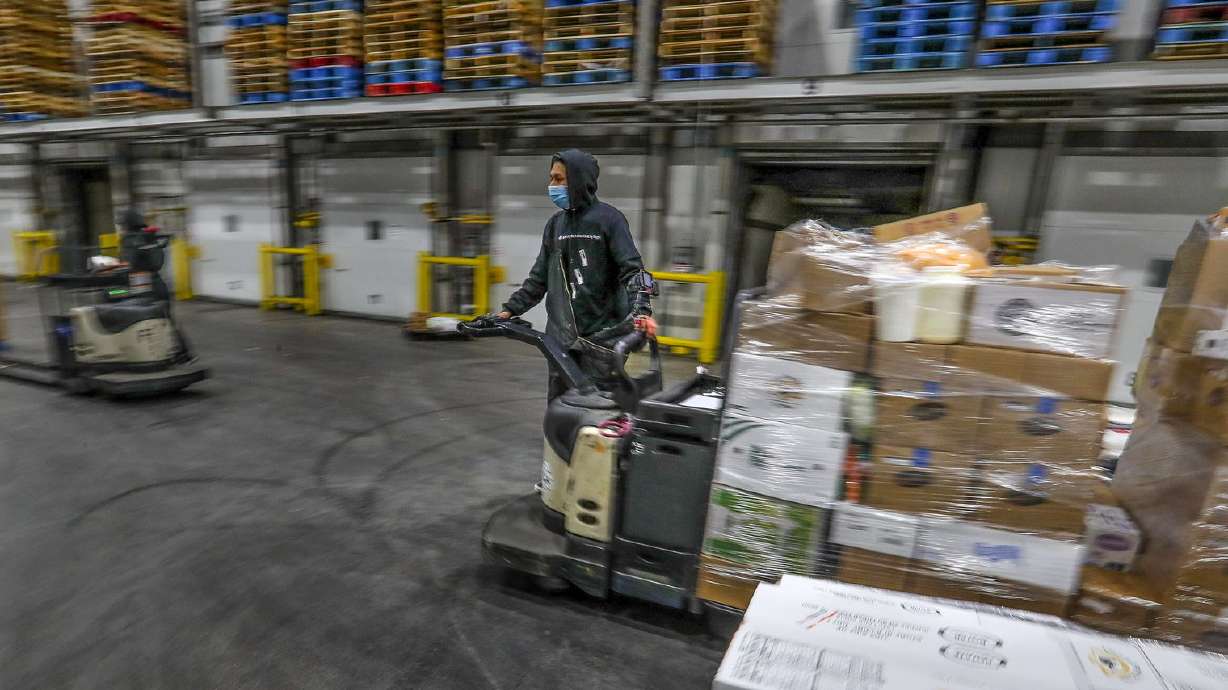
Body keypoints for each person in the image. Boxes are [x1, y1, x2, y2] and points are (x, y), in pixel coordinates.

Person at [497, 149, 658, 399]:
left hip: (600, 341)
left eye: (559, 179)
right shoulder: (555, 225)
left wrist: (642, 311)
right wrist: (510, 310)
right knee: (560, 407)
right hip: (560, 341)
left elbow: (635, 271)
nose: (552, 185)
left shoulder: (609, 220)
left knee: (594, 410)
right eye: (551, 178)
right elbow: (539, 278)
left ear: (579, 179)